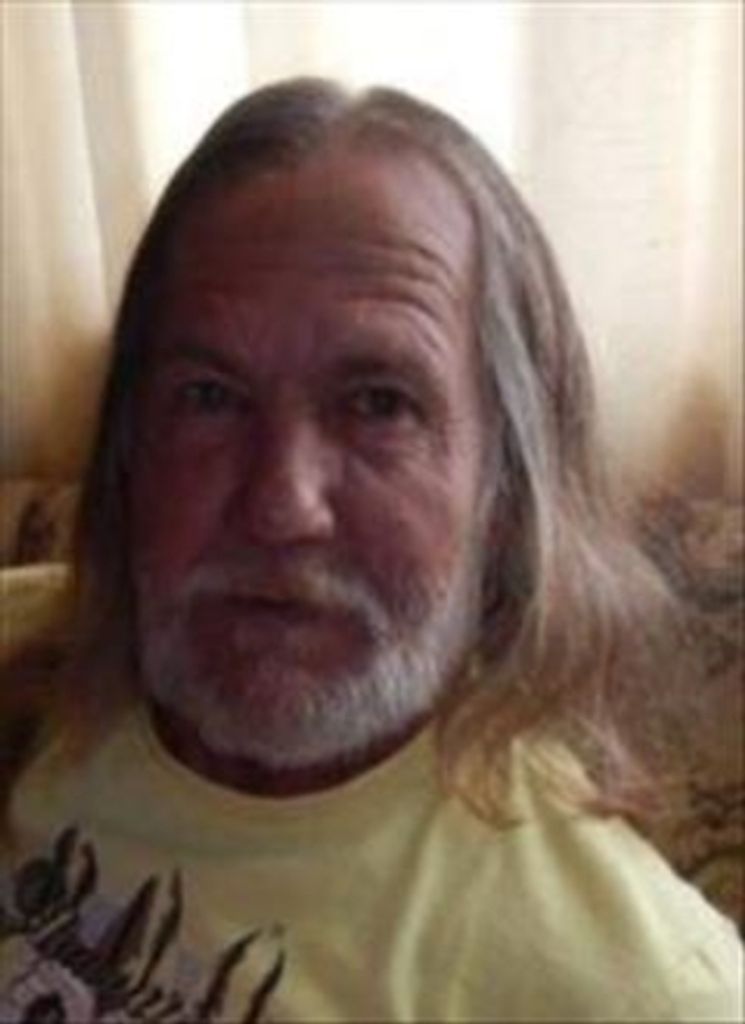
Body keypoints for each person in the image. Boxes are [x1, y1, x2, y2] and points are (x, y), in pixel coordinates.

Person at [0, 79, 741, 1023]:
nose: (282, 506)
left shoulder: (636, 992)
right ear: (128, 451)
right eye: (210, 397)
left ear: (508, 485)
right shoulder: (25, 651)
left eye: (379, 404)